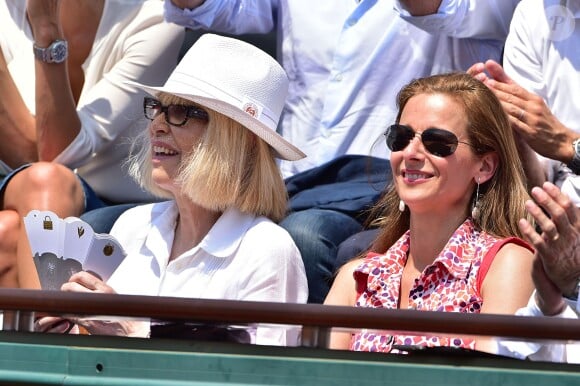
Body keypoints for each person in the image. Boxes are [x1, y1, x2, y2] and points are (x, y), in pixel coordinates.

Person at [162, 0, 521, 303]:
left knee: (306, 234)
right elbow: (215, 8)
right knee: (116, 224)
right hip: (294, 181)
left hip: (388, 182)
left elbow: (437, 8)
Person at [34, 34, 308, 346]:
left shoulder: (267, 249)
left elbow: (262, 376)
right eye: (158, 108)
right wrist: (69, 329)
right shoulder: (133, 225)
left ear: (236, 140)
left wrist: (131, 331)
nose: (157, 125)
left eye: (181, 112)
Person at [324, 72, 535, 354]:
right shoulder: (357, 278)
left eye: (437, 142)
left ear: (484, 166)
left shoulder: (507, 264)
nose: (411, 152)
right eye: (401, 138)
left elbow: (492, 379)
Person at [0, 0, 185, 288]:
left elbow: (57, 153)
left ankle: (48, 329)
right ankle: (51, 328)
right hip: (19, 185)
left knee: (36, 195)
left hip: (113, 201)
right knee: (13, 223)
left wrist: (46, 31)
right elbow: (23, 155)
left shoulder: (155, 17)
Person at [467, 0, 580, 203]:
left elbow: (560, 144)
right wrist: (511, 132)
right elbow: (537, 185)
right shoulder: (534, 12)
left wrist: (569, 147)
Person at [495, 182, 580, 363]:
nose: (417, 153)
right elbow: (507, 361)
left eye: (439, 150)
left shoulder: (506, 256)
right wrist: (552, 303)